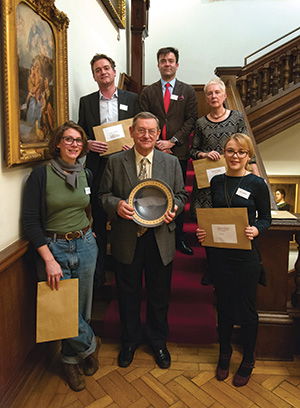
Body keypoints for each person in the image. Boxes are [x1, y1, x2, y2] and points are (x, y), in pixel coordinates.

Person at [99, 112, 188, 369]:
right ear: (132, 132)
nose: (146, 135)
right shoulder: (116, 162)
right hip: (127, 238)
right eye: (141, 130)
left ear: (158, 133)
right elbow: (103, 194)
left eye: (151, 131)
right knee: (128, 293)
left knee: (159, 295)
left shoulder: (170, 163)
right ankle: (129, 340)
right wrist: (116, 206)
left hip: (160, 239)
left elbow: (181, 195)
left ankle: (158, 341)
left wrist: (175, 209)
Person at [22, 121, 100, 392]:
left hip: (86, 244)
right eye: (68, 139)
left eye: (78, 140)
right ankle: (89, 345)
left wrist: (90, 235)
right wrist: (48, 258)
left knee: (81, 308)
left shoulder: (86, 173)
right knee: (61, 309)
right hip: (54, 249)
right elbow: (30, 221)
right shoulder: (41, 175)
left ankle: (70, 359)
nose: (74, 144)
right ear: (57, 143)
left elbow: (88, 208)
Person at [196, 133, 271, 387]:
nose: (235, 156)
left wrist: (257, 229)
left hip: (246, 256)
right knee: (224, 308)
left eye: (241, 152)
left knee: (248, 311)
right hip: (220, 255)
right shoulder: (216, 181)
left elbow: (265, 217)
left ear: (248, 155)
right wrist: (204, 231)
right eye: (230, 151)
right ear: (224, 153)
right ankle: (224, 353)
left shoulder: (257, 183)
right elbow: (216, 214)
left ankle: (248, 358)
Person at [78, 53, 140, 285]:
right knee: (100, 218)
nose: (103, 72)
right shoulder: (86, 102)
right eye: (98, 70)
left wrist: (133, 143)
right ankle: (100, 274)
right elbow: (81, 133)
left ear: (114, 71)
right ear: (94, 76)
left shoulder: (132, 99)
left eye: (106, 68)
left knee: (126, 216)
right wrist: (87, 144)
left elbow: (140, 127)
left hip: (126, 165)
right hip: (97, 167)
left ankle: (128, 271)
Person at [140, 47, 198, 255]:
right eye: (163, 60)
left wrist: (173, 141)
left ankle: (179, 238)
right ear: (158, 65)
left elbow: (191, 119)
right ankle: (153, 235)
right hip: (152, 151)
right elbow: (144, 118)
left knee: (178, 195)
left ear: (177, 65)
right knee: (154, 192)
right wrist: (156, 142)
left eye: (171, 61)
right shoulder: (148, 92)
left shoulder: (188, 91)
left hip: (178, 153)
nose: (167, 64)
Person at [190, 77, 259, 215]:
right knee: (208, 219)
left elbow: (247, 146)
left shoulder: (237, 117)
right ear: (206, 98)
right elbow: (193, 151)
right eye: (210, 93)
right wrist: (205, 154)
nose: (213, 96)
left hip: (233, 174)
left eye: (217, 92)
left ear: (225, 95)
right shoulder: (200, 123)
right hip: (208, 181)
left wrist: (256, 175)